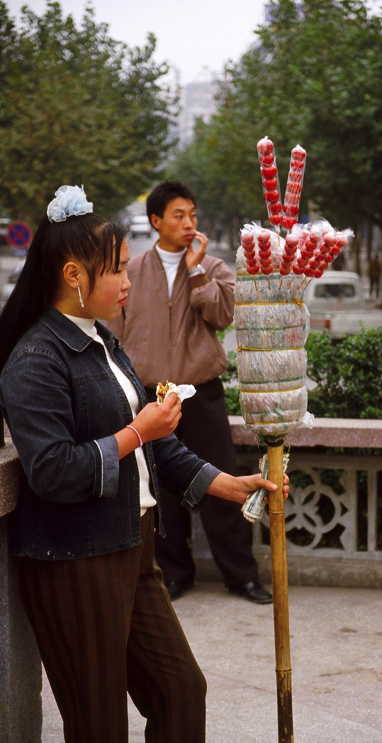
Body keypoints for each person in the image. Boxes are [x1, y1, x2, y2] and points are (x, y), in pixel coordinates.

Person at [0, 185, 285, 743]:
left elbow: (158, 448)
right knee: (99, 721)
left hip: (132, 548)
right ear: (75, 275)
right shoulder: (35, 359)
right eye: (118, 271)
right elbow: (53, 470)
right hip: (74, 561)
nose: (129, 282)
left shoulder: (103, 340)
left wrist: (229, 484)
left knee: (181, 690)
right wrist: (137, 431)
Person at [108, 180, 272, 604]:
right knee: (163, 489)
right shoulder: (132, 270)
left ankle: (242, 576)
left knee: (224, 482)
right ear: (156, 220)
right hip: (149, 398)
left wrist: (196, 271)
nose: (188, 223)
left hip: (200, 393)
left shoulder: (214, 268)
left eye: (193, 215)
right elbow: (113, 332)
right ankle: (175, 574)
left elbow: (223, 315)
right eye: (178, 215)